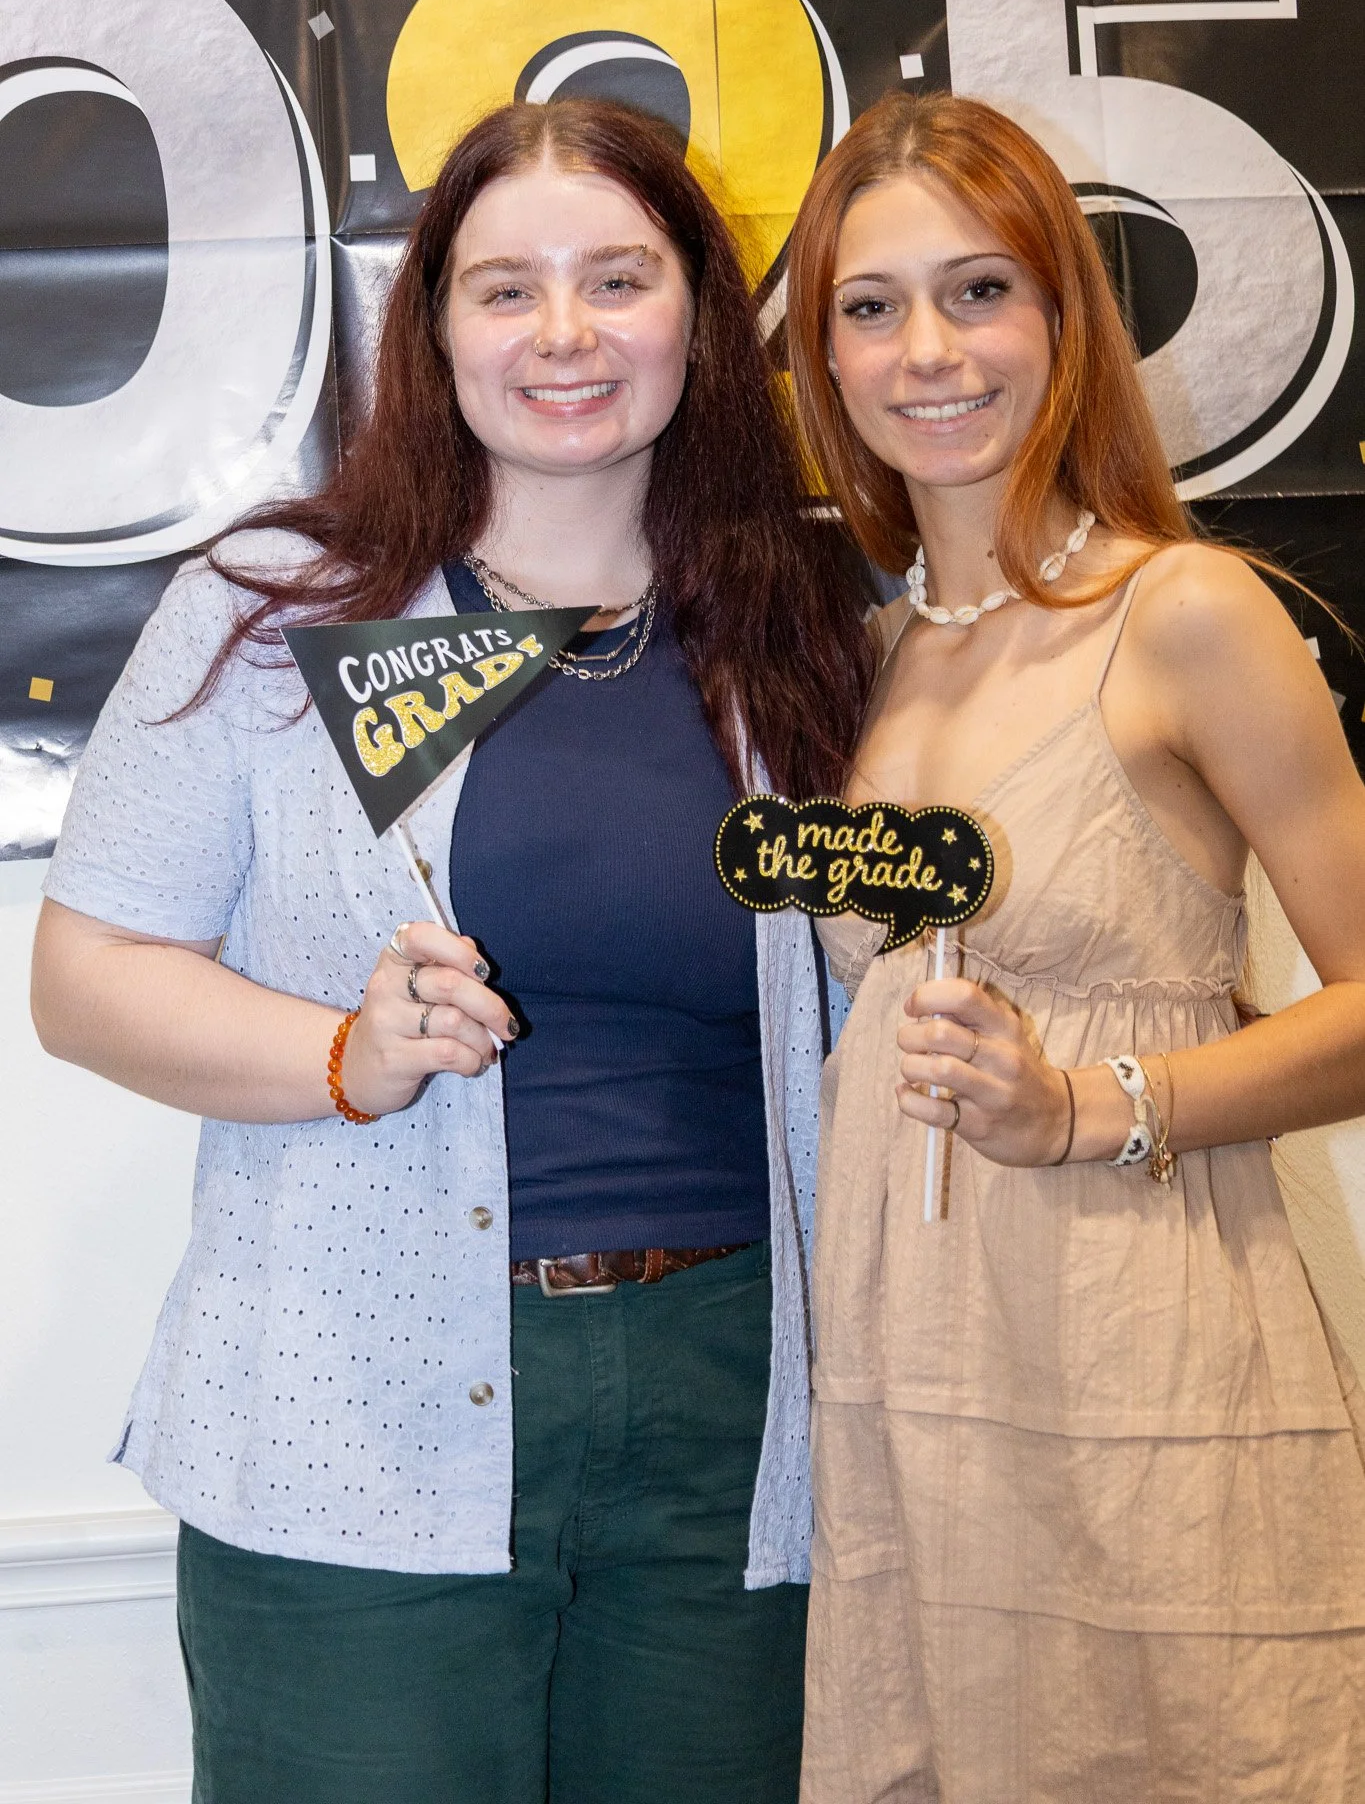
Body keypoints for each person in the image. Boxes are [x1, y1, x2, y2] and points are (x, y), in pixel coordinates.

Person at [30, 97, 876, 1804]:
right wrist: (341, 1055)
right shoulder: (280, 608)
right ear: (428, 330)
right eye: (506, 289)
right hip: (350, 1406)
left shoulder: (799, 624)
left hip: (734, 1417)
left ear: (701, 316)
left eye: (618, 278)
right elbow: (86, 971)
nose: (564, 333)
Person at [783, 89, 1365, 1801]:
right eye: (871, 309)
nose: (929, 354)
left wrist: (1086, 1105)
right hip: (912, 1377)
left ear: (1062, 315)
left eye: (981, 292)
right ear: (823, 361)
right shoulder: (879, 657)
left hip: (1142, 1353)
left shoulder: (1184, 611)